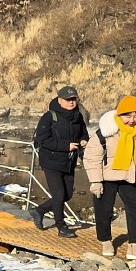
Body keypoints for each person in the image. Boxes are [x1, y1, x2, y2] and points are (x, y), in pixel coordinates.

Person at [83, 95, 136, 260]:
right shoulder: (106, 131)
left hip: (132, 176)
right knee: (104, 211)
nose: (132, 120)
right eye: (127, 115)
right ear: (119, 114)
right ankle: (106, 240)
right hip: (107, 176)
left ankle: (135, 246)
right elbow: (92, 156)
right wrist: (95, 181)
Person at [29, 85, 89, 238]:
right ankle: (61, 226)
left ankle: (39, 210)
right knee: (59, 194)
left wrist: (83, 141)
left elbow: (84, 133)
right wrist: (65, 146)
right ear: (59, 100)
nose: (71, 102)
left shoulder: (78, 116)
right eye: (67, 99)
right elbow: (42, 140)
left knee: (67, 195)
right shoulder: (49, 116)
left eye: (73, 99)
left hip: (69, 161)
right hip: (51, 161)